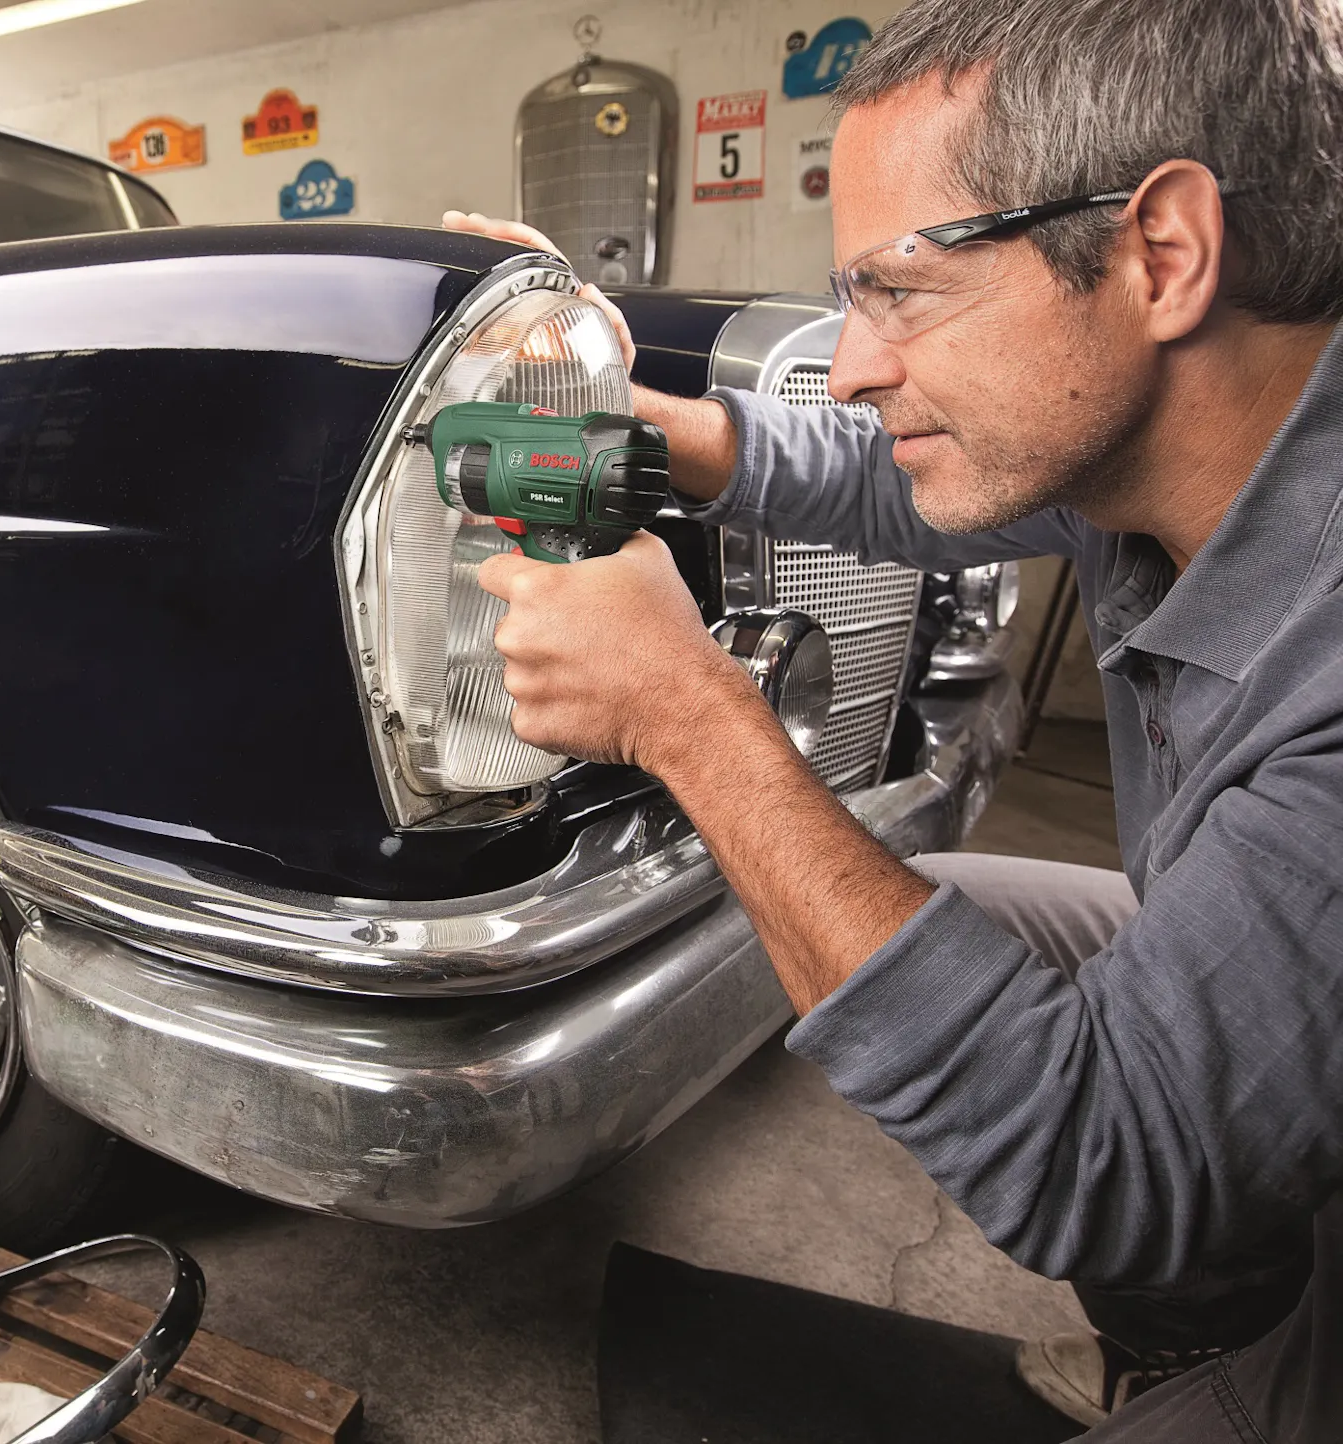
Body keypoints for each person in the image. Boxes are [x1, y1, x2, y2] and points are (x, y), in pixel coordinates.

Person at [445, 0, 1341, 1437]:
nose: (855, 364)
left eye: (903, 291)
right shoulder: (1181, 439)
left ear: (1162, 254)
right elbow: (885, 478)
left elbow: (1099, 1159)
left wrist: (689, 713)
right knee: (968, 907)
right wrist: (625, 423)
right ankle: (1195, 1338)